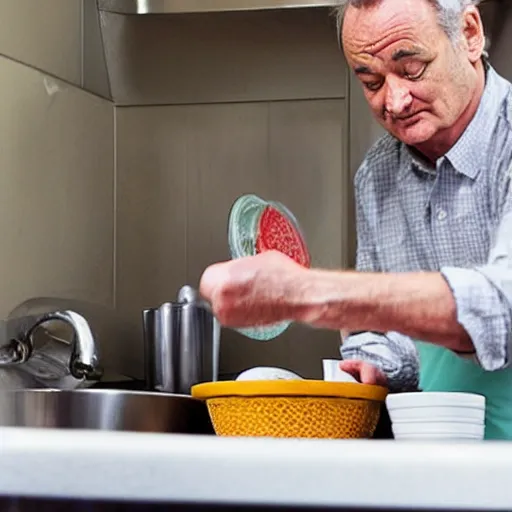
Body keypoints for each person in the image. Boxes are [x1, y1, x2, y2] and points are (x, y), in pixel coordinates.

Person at [199, 0, 512, 440]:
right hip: (442, 461)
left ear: (470, 33)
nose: (395, 101)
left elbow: (503, 306)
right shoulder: (379, 175)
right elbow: (391, 340)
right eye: (371, 81)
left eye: (413, 68)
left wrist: (309, 293)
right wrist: (376, 361)